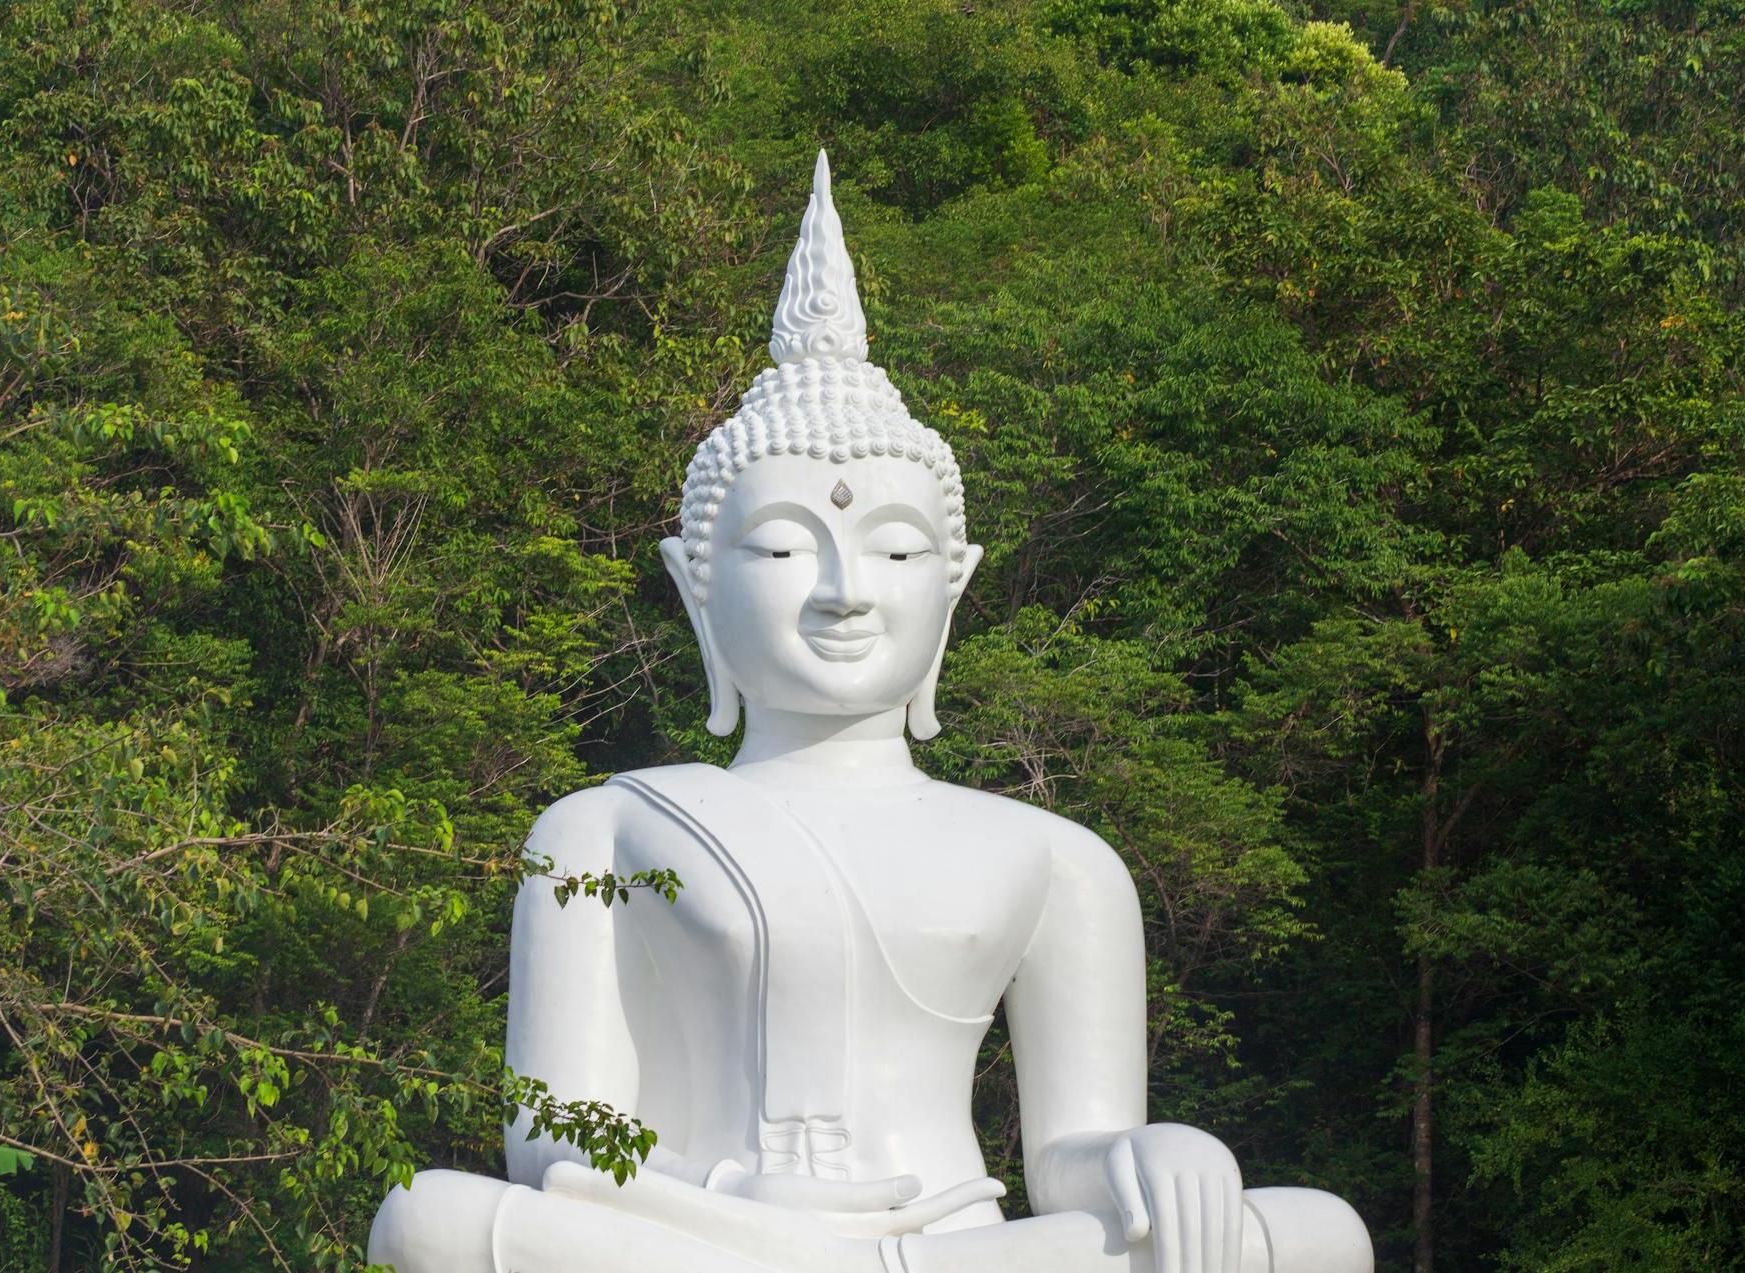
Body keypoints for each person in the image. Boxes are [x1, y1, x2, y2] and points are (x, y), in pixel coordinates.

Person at [368, 152, 1372, 1273]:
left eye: (894, 548)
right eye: (787, 544)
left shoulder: (1052, 858)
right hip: (708, 1239)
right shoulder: (603, 827)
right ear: (697, 585)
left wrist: (1153, 1155)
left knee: (1314, 1234)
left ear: (951, 585)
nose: (844, 587)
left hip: (949, 1248)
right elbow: (556, 1144)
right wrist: (768, 1232)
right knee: (428, 1217)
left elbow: (1068, 1154)